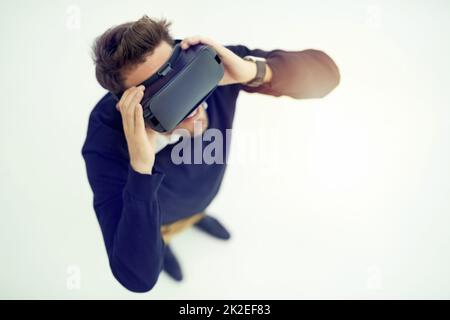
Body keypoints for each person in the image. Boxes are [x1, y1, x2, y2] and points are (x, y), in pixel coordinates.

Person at [81, 15, 340, 292]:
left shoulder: (212, 68)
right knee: (155, 242)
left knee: (201, 204)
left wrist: (253, 71)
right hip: (159, 218)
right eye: (166, 98)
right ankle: (165, 244)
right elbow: (137, 277)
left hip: (206, 191)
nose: (192, 105)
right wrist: (141, 167)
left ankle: (199, 215)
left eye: (183, 78)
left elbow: (327, 77)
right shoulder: (104, 138)